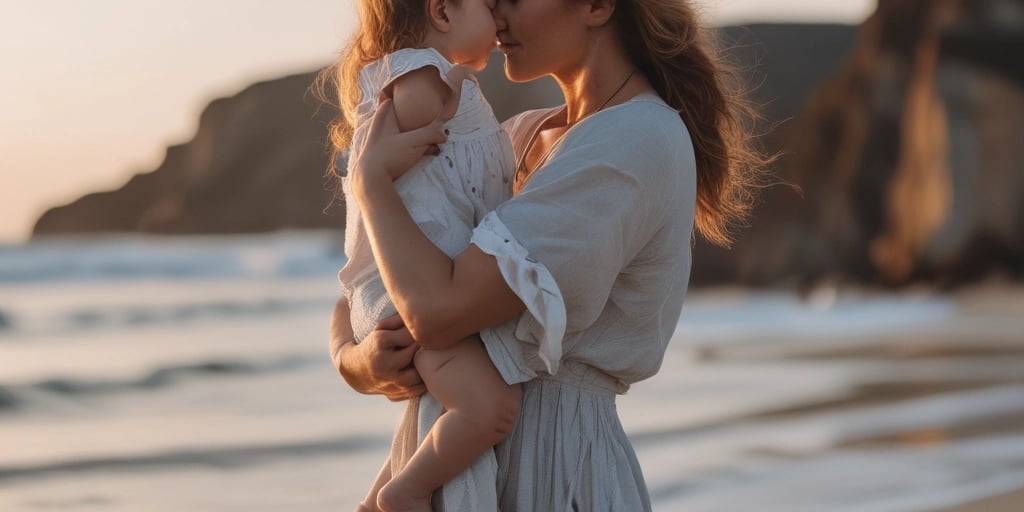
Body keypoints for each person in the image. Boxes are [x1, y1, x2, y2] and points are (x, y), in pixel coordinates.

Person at [329, 0, 769, 508]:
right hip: (462, 457)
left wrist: (369, 183)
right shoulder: (512, 139)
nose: (495, 10)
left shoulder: (636, 139)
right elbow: (374, 273)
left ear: (597, 6)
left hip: (559, 471)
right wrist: (354, 360)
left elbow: (435, 313)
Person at [319, 0, 545, 508]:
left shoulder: (449, 82)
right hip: (412, 293)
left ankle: (378, 497)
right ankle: (407, 492)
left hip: (416, 287)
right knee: (492, 410)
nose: (500, 17)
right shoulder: (420, 74)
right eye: (489, 5)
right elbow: (395, 127)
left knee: (440, 413)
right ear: (442, 12)